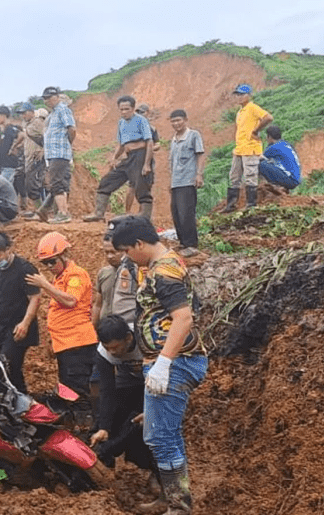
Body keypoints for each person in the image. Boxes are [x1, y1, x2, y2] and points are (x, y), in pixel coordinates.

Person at [109, 215, 207, 515]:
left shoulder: (164, 272)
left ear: (140, 243)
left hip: (176, 362)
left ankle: (179, 506)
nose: (126, 256)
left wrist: (164, 363)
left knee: (161, 437)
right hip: (169, 361)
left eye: (127, 250)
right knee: (165, 434)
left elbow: (184, 317)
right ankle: (172, 498)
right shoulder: (163, 266)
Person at [25, 232, 98, 424]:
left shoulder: (76, 275)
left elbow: (70, 301)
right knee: (68, 388)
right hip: (65, 344)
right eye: (45, 263)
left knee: (78, 390)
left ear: (65, 254)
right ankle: (75, 423)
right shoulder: (60, 277)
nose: (49, 267)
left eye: (52, 261)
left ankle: (86, 429)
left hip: (78, 343)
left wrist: (45, 285)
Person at [89, 315, 155, 491]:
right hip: (127, 382)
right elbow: (107, 390)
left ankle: (156, 474)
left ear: (128, 338)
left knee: (142, 427)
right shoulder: (103, 353)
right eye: (107, 348)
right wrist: (105, 427)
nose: (112, 352)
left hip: (154, 383)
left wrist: (154, 409)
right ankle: (108, 467)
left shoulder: (148, 340)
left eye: (115, 347)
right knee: (114, 420)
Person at [0, 232, 41, 393]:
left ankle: (20, 401)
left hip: (20, 327)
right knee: (12, 369)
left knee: (7, 364)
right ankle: (21, 402)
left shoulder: (25, 268)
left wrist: (25, 323)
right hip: (3, 327)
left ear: (9, 249)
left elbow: (35, 297)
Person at [84, 95, 155, 222]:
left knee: (141, 186)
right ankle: (99, 213)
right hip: (129, 157)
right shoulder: (121, 122)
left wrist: (147, 164)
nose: (124, 112)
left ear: (133, 108)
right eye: (121, 109)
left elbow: (149, 142)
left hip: (141, 155)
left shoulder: (141, 120)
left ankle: (145, 216)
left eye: (126, 109)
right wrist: (114, 158)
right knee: (107, 181)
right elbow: (121, 144)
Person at [223, 83, 273, 212]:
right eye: (237, 95)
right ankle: (231, 205)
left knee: (250, 176)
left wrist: (256, 131)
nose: (239, 97)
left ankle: (251, 205)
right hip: (240, 148)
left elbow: (268, 117)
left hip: (250, 148)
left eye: (242, 94)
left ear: (249, 95)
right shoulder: (240, 112)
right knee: (234, 176)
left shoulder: (252, 108)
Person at [167, 110, 206, 257]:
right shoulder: (174, 139)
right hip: (176, 182)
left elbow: (200, 154)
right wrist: (170, 181)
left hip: (187, 181)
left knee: (186, 213)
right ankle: (183, 242)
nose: (176, 124)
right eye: (173, 121)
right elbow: (172, 162)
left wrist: (199, 175)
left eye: (178, 120)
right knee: (176, 213)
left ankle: (191, 244)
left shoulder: (193, 135)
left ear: (185, 120)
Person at [35, 87, 75, 224]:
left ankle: (63, 213)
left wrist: (67, 143)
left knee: (56, 183)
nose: (47, 101)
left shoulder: (62, 109)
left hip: (60, 152)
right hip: (53, 154)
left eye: (49, 97)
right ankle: (57, 212)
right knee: (57, 183)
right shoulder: (52, 114)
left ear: (56, 97)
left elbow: (72, 128)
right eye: (45, 98)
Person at [123, 103, 161, 214]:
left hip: (148, 161)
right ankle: (127, 212)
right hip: (134, 162)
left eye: (142, 112)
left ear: (148, 113)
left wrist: (150, 148)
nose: (140, 114)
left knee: (146, 188)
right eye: (138, 112)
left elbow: (158, 144)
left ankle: (143, 214)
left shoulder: (152, 129)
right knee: (132, 187)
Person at [17, 104, 46, 215]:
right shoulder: (26, 124)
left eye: (24, 113)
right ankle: (38, 209)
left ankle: (40, 210)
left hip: (37, 157)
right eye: (21, 114)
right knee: (28, 183)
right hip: (28, 157)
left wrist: (43, 150)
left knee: (33, 184)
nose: (23, 116)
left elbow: (47, 137)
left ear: (31, 112)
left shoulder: (38, 122)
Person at [260, 125, 302, 193]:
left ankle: (275, 187)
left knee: (261, 164)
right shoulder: (286, 144)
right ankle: (282, 188)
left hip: (291, 179)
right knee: (270, 163)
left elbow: (261, 157)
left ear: (269, 137)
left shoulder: (273, 147)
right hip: (296, 178)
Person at [0, 106, 19, 182]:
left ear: (4, 116)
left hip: (9, 165)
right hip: (0, 165)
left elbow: (22, 136)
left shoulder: (12, 129)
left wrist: (15, 146)